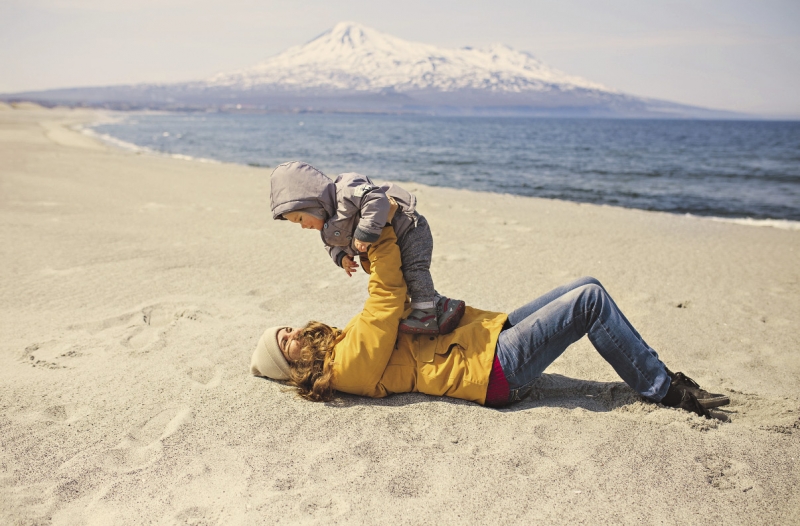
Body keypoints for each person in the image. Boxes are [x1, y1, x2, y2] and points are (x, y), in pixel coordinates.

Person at [251, 226, 730, 420]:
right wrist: (375, 237)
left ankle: (657, 375)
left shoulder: (341, 346)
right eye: (283, 343)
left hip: (482, 340)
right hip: (491, 373)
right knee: (588, 302)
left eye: (284, 329)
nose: (290, 333)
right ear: (291, 368)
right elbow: (387, 300)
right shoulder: (346, 368)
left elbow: (384, 303)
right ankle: (665, 390)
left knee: (587, 282)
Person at [270, 161, 463, 335]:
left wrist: (364, 232)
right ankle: (441, 304)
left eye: (301, 219)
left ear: (314, 204)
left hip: (409, 230)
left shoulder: (346, 190)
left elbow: (374, 197)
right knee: (406, 279)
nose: (303, 226)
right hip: (393, 242)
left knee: (414, 270)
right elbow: (329, 244)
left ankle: (425, 315)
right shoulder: (327, 227)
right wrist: (341, 257)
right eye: (297, 224)